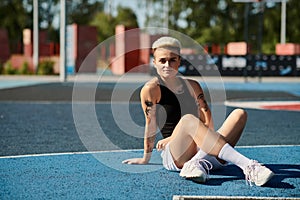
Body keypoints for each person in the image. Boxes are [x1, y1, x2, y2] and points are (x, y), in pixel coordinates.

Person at [122, 36, 274, 186]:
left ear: (179, 61)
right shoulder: (150, 90)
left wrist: (193, 145)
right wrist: (146, 158)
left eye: (172, 60)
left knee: (239, 114)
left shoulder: (193, 86)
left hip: (203, 151)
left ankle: (196, 163)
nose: (167, 64)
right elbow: (150, 125)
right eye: (162, 60)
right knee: (189, 119)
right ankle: (249, 166)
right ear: (154, 63)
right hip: (177, 155)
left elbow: (209, 125)